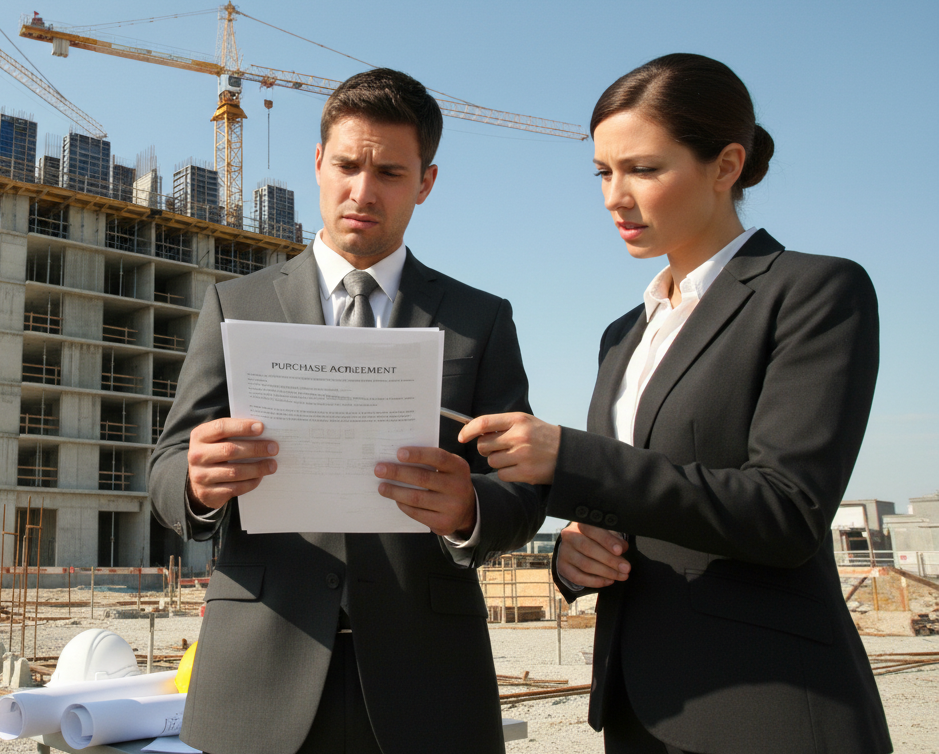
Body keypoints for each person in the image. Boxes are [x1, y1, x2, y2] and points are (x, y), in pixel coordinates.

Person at [459, 54, 891, 754]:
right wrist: (576, 556)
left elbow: (787, 511)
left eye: (644, 169)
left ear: (726, 165)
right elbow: (639, 503)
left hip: (770, 709)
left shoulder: (813, 293)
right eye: (603, 172)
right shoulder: (623, 336)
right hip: (644, 715)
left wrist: (570, 457)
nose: (614, 197)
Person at [148, 68, 545, 754]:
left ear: (426, 183)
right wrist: (196, 482)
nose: (363, 191)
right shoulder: (233, 306)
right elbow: (164, 470)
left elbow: (525, 490)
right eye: (347, 165)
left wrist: (468, 509)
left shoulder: (481, 321)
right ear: (317, 163)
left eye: (390, 172)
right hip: (259, 674)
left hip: (427, 683)